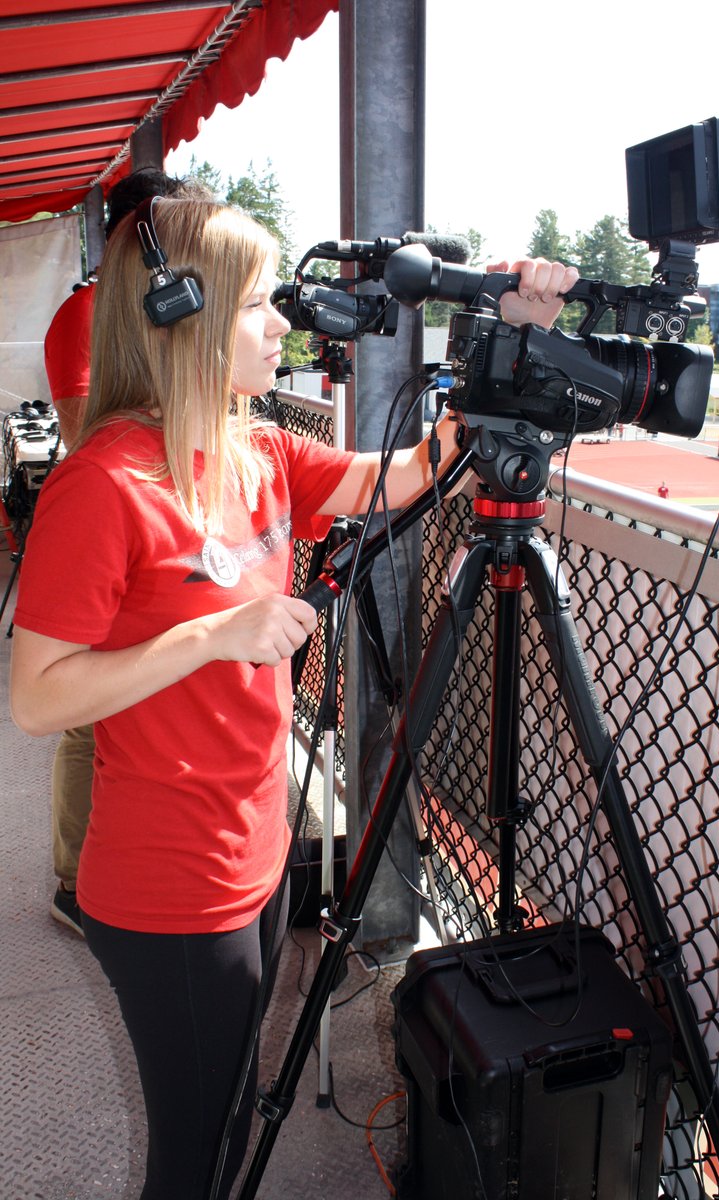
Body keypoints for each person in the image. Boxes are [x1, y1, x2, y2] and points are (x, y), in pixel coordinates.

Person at [10, 195, 577, 1199]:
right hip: (170, 889)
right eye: (255, 304)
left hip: (259, 856)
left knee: (229, 1118)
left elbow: (414, 475)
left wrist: (510, 333)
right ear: (181, 314)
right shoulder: (104, 483)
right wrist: (209, 635)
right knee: (200, 1155)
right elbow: (37, 698)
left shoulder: (261, 451)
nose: (281, 325)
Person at [43, 168, 209, 936]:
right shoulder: (90, 312)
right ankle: (73, 882)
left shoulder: (141, 304)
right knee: (88, 720)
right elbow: (89, 435)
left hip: (153, 531)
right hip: (113, 537)